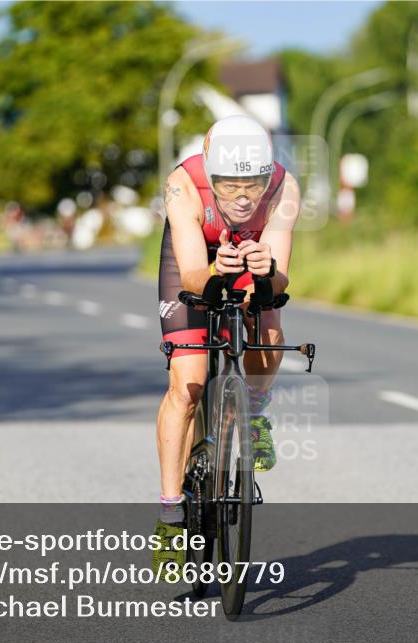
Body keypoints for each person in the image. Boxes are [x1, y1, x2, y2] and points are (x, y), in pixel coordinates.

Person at [152, 115, 301, 574]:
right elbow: (195, 274)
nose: (241, 197)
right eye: (228, 184)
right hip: (195, 264)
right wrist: (220, 271)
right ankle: (170, 514)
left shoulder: (284, 188)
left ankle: (254, 412)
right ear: (210, 177)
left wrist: (265, 267)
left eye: (251, 185)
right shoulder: (182, 185)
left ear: (266, 176)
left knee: (269, 330)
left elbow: (279, 281)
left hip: (252, 258)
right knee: (189, 385)